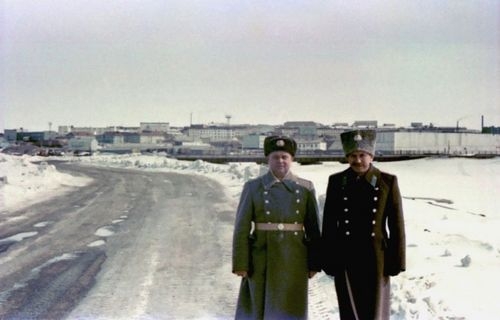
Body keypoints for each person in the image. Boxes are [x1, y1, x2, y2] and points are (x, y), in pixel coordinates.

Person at [232, 135, 321, 320]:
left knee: (291, 307)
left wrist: (314, 263)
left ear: (292, 159)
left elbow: (313, 229)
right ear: (267, 159)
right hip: (261, 257)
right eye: (275, 157)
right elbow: (241, 228)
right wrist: (241, 263)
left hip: (294, 258)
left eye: (284, 157)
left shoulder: (305, 188)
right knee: (258, 307)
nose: (280, 161)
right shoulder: (253, 187)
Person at [321, 130, 406, 320]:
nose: (357, 160)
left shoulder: (387, 181)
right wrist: (327, 257)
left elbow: (397, 225)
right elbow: (329, 224)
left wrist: (398, 260)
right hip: (346, 255)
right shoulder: (337, 181)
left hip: (377, 258)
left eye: (362, 155)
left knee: (375, 310)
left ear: (371, 156)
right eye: (352, 156)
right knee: (349, 309)